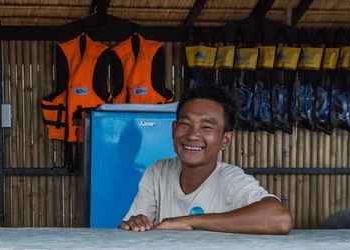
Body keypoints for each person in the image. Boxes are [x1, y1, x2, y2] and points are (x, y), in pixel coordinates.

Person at [118, 86, 292, 235]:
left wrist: (191, 221)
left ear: (225, 140)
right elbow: (131, 230)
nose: (193, 135)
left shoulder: (231, 179)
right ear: (174, 130)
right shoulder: (158, 172)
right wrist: (135, 224)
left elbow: (279, 219)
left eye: (207, 127)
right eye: (185, 124)